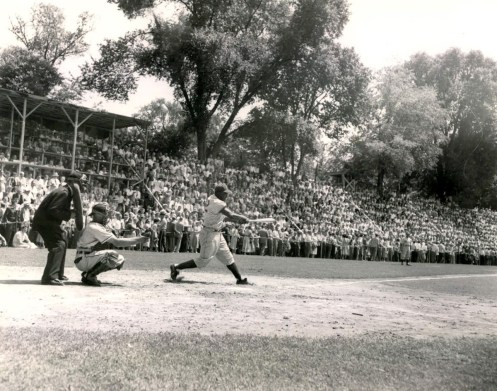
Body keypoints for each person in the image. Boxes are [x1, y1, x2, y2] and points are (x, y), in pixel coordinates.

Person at [169, 184, 251, 284]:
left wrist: (238, 220)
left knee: (228, 257)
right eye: (225, 194)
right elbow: (230, 214)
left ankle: (239, 279)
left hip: (217, 234)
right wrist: (242, 217)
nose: (227, 196)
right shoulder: (216, 202)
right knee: (203, 261)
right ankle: (176, 267)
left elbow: (224, 217)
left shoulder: (214, 199)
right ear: (219, 194)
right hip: (209, 234)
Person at [75, 203, 148, 287]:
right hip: (84, 259)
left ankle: (87, 274)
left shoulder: (97, 226)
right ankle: (90, 276)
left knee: (119, 259)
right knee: (112, 255)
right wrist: (138, 240)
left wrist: (138, 239)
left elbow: (117, 240)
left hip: (86, 257)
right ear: (98, 215)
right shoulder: (94, 227)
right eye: (105, 213)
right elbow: (117, 242)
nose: (106, 216)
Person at [32, 171, 86, 286]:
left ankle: (58, 274)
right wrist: (69, 215)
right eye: (82, 182)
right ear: (75, 182)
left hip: (46, 221)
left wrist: (69, 213)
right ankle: (50, 277)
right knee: (58, 244)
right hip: (45, 222)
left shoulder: (66, 191)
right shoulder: (64, 192)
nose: (83, 185)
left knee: (63, 241)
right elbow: (53, 210)